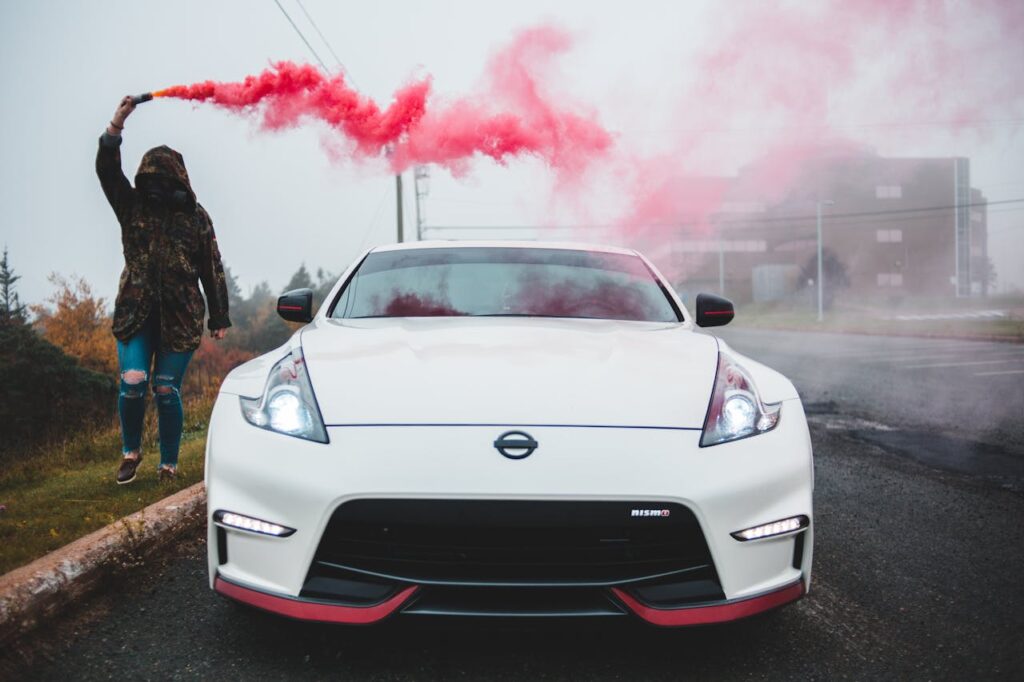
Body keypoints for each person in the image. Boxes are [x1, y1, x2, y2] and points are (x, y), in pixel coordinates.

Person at [96, 95, 231, 484]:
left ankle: (168, 464)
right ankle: (130, 452)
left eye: (163, 181)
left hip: (181, 315)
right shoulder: (132, 205)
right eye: (150, 180)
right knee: (134, 381)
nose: (156, 187)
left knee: (166, 389)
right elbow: (107, 170)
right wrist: (116, 124)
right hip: (135, 311)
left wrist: (219, 315)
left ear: (177, 184)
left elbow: (211, 264)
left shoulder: (196, 217)